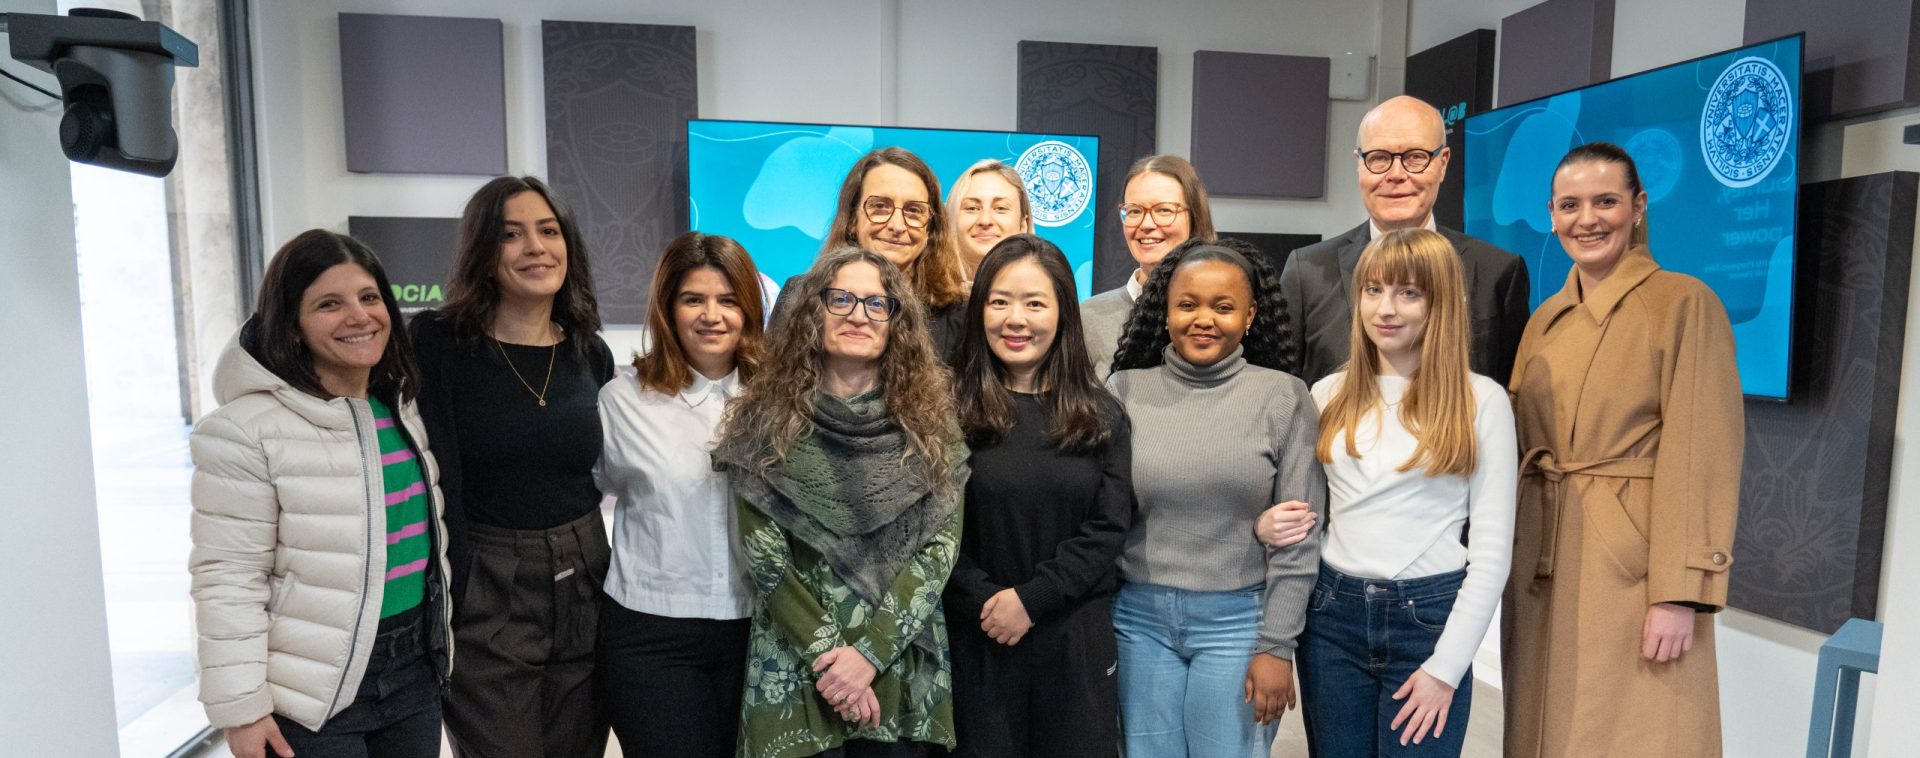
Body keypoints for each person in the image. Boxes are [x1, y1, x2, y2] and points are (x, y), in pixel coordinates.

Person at [1503, 142, 1743, 758]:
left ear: (1638, 207)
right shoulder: (1546, 318)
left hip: (1629, 566)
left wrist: (1680, 591)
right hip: (1541, 555)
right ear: (1551, 216)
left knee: (1637, 730)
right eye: (1570, 205)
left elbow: (1703, 454)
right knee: (1542, 725)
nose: (1588, 219)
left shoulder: (1685, 303)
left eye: (1606, 201)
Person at [189, 230, 451, 758]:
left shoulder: (401, 409)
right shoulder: (244, 429)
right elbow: (227, 577)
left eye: (369, 297)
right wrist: (242, 711)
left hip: (412, 673)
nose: (358, 316)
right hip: (311, 696)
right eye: (329, 304)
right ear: (291, 324)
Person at [713, 246, 969, 758]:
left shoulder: (932, 426)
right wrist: (834, 659)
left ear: (897, 322)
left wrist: (868, 658)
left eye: (877, 304)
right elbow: (767, 563)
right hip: (797, 663)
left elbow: (938, 552)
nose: (859, 314)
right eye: (842, 299)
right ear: (813, 312)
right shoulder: (764, 422)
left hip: (896, 663)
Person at [1277, 229, 1516, 757]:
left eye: (1409, 293)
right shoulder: (1326, 394)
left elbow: (1493, 554)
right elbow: (1302, 513)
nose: (1385, 309)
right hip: (1331, 617)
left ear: (1441, 303)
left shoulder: (1482, 401)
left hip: (1428, 623)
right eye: (1373, 290)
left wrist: (1446, 668)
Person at [409, 176, 616, 757]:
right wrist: (462, 585)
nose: (536, 248)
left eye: (549, 231)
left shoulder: (588, 350)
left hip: (585, 577)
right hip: (488, 581)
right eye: (511, 235)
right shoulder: (438, 341)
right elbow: (434, 471)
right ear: (483, 250)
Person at [1106, 238, 1323, 757]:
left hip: (1239, 622)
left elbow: (1299, 537)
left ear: (1249, 316)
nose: (1203, 319)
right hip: (1138, 619)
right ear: (1166, 311)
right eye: (1188, 304)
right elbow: (1102, 516)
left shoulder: (1283, 397)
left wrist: (1277, 646)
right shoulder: (1123, 390)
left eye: (1223, 307)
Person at [943, 235, 1132, 757]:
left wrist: (1032, 599)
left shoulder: (1103, 414)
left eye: (1034, 303)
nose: (1015, 319)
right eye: (999, 301)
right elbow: (929, 527)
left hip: (1073, 641)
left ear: (1063, 313)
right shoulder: (944, 411)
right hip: (976, 637)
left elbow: (1108, 528)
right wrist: (986, 600)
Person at [594, 232, 766, 757]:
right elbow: (597, 485)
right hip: (650, 634)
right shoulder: (623, 400)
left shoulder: (779, 398)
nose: (711, 315)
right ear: (668, 309)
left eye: (728, 300)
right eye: (693, 299)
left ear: (750, 310)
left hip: (757, 631)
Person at [1279, 95, 1529, 388]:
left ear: (1443, 163)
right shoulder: (1306, 272)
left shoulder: (1497, 272)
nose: (1396, 175)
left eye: (1415, 157)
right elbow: (1281, 395)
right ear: (1359, 163)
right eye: (1379, 158)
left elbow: (1513, 390)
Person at [770, 147, 970, 354]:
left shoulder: (960, 314)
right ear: (852, 220)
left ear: (931, 227)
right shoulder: (799, 296)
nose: (897, 226)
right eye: (880, 206)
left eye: (913, 211)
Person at [1082, 154, 1218, 378]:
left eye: (1164, 210)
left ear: (1195, 216)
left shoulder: (1225, 314)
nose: (1146, 224)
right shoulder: (1089, 318)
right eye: (1134, 211)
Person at [947, 159, 1034, 286]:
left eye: (1000, 208)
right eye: (972, 208)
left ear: (1023, 224)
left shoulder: (1050, 297)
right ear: (950, 220)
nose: (985, 221)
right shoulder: (923, 301)